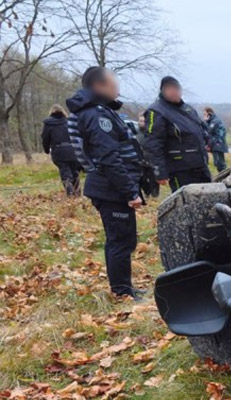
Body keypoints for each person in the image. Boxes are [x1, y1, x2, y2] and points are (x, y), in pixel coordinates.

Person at [66, 66, 143, 300]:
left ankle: (123, 287)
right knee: (121, 240)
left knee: (119, 239)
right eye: (113, 81)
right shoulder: (96, 115)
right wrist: (130, 192)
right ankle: (122, 292)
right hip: (111, 190)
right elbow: (109, 158)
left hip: (109, 187)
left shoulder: (99, 110)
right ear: (99, 85)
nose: (117, 85)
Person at [143, 76, 211, 192]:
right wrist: (159, 171)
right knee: (187, 204)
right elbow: (153, 143)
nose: (173, 92)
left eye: (176, 89)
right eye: (169, 89)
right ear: (163, 91)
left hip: (200, 165)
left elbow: (200, 129)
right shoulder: (157, 111)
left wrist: (209, 142)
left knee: (209, 197)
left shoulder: (188, 109)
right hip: (179, 169)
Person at [41, 104, 81, 197]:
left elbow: (45, 138)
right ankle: (78, 195)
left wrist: (46, 150)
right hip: (73, 150)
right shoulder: (69, 122)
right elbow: (77, 135)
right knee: (75, 172)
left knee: (65, 173)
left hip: (58, 151)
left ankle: (70, 194)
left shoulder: (48, 124)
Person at [203, 107, 228, 173]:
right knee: (218, 163)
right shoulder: (213, 121)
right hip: (217, 144)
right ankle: (222, 177)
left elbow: (208, 132)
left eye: (205, 114)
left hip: (217, 145)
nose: (204, 116)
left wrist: (205, 122)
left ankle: (223, 177)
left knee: (219, 164)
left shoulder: (214, 122)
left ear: (209, 114)